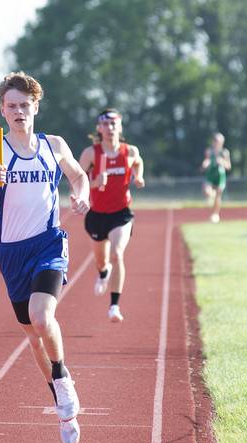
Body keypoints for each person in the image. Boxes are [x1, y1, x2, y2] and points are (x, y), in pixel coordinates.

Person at [0, 72, 90, 443]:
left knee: (42, 316)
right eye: (12, 106)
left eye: (25, 105)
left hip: (48, 244)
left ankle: (63, 379)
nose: (19, 111)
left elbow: (79, 176)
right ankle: (60, 399)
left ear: (36, 106)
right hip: (11, 253)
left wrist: (80, 195)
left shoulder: (54, 145)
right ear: (2, 110)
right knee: (33, 337)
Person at [78, 108, 145, 323]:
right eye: (105, 124)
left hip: (121, 214)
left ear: (120, 126)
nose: (110, 128)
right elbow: (77, 179)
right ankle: (103, 272)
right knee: (101, 260)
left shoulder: (130, 151)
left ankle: (114, 306)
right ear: (99, 128)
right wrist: (94, 183)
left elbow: (138, 162)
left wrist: (138, 177)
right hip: (97, 215)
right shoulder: (91, 153)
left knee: (117, 253)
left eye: (114, 123)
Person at [201, 132, 231, 223]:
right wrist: (205, 164)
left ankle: (215, 214)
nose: (219, 143)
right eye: (217, 141)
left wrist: (222, 162)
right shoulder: (209, 151)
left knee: (218, 196)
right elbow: (206, 161)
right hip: (210, 174)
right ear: (213, 142)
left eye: (221, 141)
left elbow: (228, 166)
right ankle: (211, 195)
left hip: (220, 176)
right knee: (206, 191)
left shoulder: (225, 152)